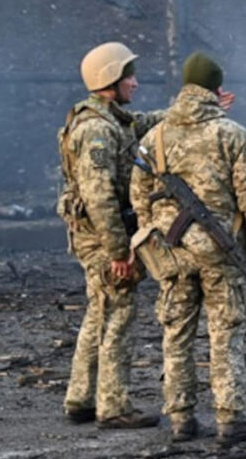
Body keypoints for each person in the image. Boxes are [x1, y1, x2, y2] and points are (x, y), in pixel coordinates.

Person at [129, 52, 246, 444]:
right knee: (225, 333)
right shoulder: (232, 135)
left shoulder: (154, 137)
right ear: (216, 89)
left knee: (176, 333)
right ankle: (230, 418)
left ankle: (180, 418)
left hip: (171, 254)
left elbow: (138, 196)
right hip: (220, 254)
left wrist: (154, 235)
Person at [56, 41, 163, 429]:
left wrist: (195, 108)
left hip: (100, 234)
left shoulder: (109, 119)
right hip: (104, 237)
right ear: (111, 80)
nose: (135, 83)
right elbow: (99, 197)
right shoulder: (98, 131)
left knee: (99, 311)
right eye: (128, 76)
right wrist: (119, 250)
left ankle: (81, 399)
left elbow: (146, 121)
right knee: (118, 314)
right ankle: (114, 407)